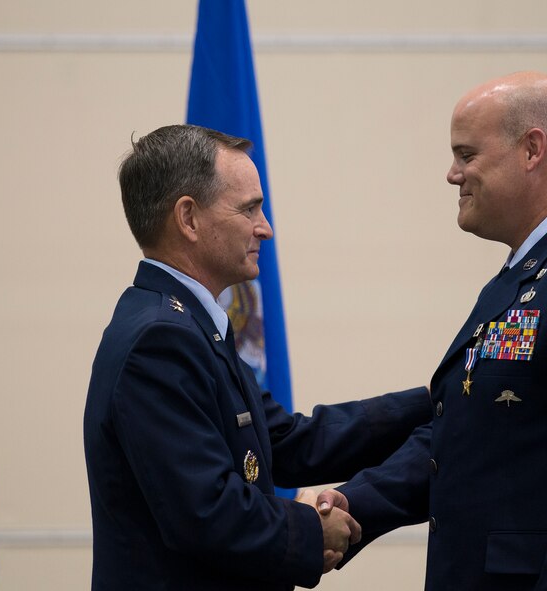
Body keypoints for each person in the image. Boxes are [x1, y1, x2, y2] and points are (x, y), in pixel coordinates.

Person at [317, 72, 547, 589]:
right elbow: (468, 433)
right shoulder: (530, 274)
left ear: (532, 149)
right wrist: (356, 505)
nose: (452, 174)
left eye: (466, 154)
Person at [83, 124, 432, 590]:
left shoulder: (186, 324)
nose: (265, 228)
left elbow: (285, 442)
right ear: (188, 218)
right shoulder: (160, 340)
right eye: (249, 209)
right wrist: (313, 528)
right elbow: (206, 511)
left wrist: (430, 400)